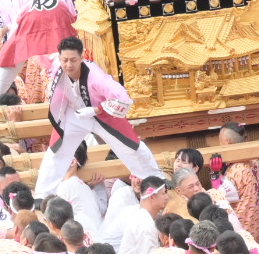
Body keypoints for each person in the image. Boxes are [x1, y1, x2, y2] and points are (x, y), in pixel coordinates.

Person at [31, 38, 161, 199]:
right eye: (65, 60)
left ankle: (156, 179)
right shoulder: (57, 67)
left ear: (82, 57)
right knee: (57, 150)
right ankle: (42, 195)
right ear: (59, 58)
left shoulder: (96, 77)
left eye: (73, 60)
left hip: (101, 114)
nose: (69, 65)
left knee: (130, 147)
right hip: (73, 114)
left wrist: (96, 110)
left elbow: (124, 100)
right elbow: (42, 55)